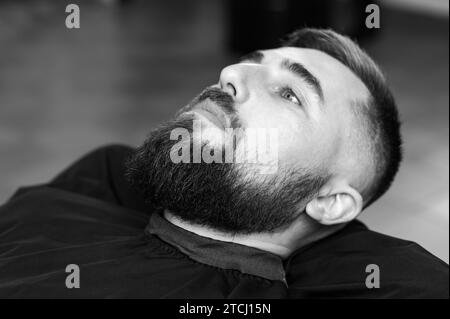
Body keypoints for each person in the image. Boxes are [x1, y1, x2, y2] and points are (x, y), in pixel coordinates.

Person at [0, 28, 447, 298]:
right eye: (249, 64)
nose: (230, 75)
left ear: (330, 202)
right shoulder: (98, 180)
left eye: (290, 94)